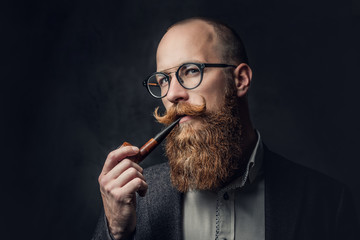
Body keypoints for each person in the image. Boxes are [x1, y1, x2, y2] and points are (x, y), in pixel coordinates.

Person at [92, 17, 359, 240]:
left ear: (240, 80)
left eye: (191, 71)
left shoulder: (327, 203)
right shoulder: (139, 200)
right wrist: (115, 233)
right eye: (163, 79)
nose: (172, 93)